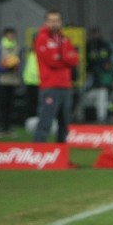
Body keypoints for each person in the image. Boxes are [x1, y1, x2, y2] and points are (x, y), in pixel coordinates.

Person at [33, 9, 79, 143]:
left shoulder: (64, 39)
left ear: (61, 22)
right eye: (51, 21)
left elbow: (75, 59)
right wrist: (66, 58)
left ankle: (62, 157)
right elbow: (52, 61)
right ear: (46, 22)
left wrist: (62, 57)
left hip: (65, 86)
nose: (54, 24)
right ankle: (38, 154)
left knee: (64, 124)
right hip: (50, 86)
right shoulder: (42, 38)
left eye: (57, 21)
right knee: (45, 122)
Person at [0, 26, 21, 136]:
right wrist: (5, 67)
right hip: (2, 80)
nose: (11, 36)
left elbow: (20, 62)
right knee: (1, 105)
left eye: (12, 34)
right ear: (5, 35)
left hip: (13, 80)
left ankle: (8, 128)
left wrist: (15, 66)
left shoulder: (17, 47)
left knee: (10, 105)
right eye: (9, 34)